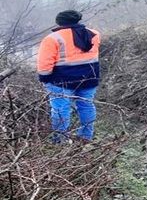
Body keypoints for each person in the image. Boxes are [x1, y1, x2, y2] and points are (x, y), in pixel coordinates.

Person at [37, 10, 100, 142]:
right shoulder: (94, 35)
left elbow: (45, 63)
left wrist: (44, 79)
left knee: (61, 108)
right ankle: (86, 137)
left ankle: (60, 140)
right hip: (89, 77)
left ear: (59, 22)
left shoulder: (52, 38)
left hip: (61, 80)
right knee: (86, 105)